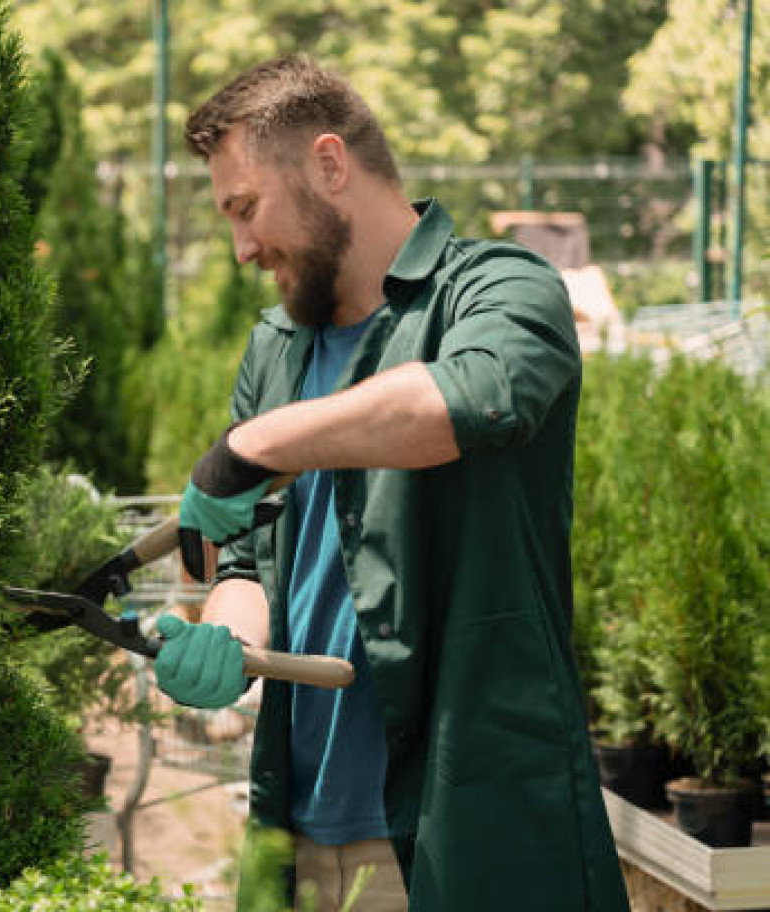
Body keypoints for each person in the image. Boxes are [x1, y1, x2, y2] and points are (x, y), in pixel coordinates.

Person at [152, 56, 630, 912]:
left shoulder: (500, 290)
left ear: (329, 164)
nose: (242, 248)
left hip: (458, 833)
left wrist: (251, 445)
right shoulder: (277, 347)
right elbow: (246, 567)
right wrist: (226, 639)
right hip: (296, 835)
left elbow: (463, 400)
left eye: (246, 208)